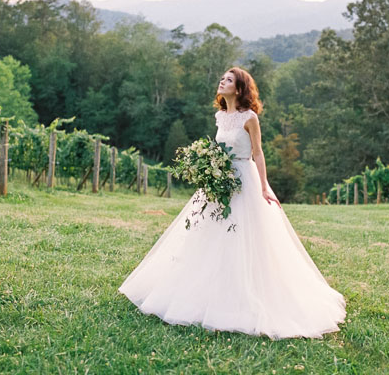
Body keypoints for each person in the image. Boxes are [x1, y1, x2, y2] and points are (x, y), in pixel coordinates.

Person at [118, 67, 346, 339]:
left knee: (242, 237)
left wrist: (263, 186)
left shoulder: (249, 118)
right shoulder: (219, 116)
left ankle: (242, 299)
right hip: (219, 182)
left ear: (239, 89)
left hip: (244, 180)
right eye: (222, 78)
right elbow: (218, 148)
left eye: (228, 80)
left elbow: (258, 154)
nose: (222, 81)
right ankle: (202, 294)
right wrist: (205, 165)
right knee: (208, 236)